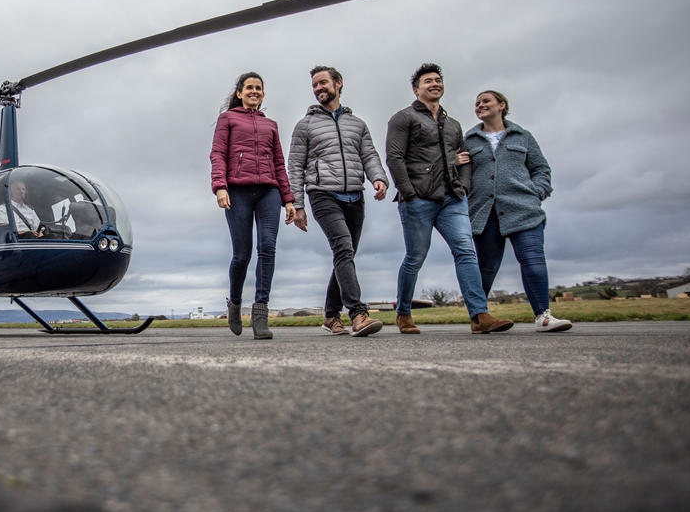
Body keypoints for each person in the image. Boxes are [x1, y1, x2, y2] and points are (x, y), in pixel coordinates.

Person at [385, 63, 513, 335]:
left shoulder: (453, 124)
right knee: (415, 257)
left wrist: (463, 187)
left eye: (438, 80)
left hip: (452, 198)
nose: (435, 84)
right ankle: (403, 313)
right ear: (416, 89)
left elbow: (465, 158)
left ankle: (479, 316)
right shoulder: (403, 118)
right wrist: (409, 193)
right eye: (428, 81)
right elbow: (394, 158)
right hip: (418, 198)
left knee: (465, 251)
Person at [287, 66, 389, 336]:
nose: (318, 88)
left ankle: (331, 315)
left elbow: (369, 155)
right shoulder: (305, 125)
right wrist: (298, 204)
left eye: (323, 82)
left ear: (338, 83)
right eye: (314, 85)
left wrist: (378, 178)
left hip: (355, 195)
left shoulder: (358, 124)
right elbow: (295, 166)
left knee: (345, 254)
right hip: (322, 193)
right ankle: (358, 313)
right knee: (343, 248)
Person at [464, 91, 571, 332]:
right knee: (487, 267)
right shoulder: (468, 141)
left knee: (533, 259)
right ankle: (478, 318)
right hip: (484, 213)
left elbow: (541, 169)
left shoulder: (523, 137)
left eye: (486, 101)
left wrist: (535, 193)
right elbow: (460, 175)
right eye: (477, 103)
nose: (480, 105)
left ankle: (543, 316)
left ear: (502, 105)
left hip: (524, 210)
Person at [210, 72, 296, 339]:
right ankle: (235, 304)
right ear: (240, 93)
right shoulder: (227, 119)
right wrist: (220, 186)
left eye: (259, 88)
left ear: (263, 94)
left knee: (267, 247)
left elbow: (279, 163)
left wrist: (288, 198)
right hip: (238, 190)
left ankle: (260, 315)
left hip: (269, 190)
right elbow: (218, 153)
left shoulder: (271, 124)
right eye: (249, 87)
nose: (254, 91)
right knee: (242, 255)